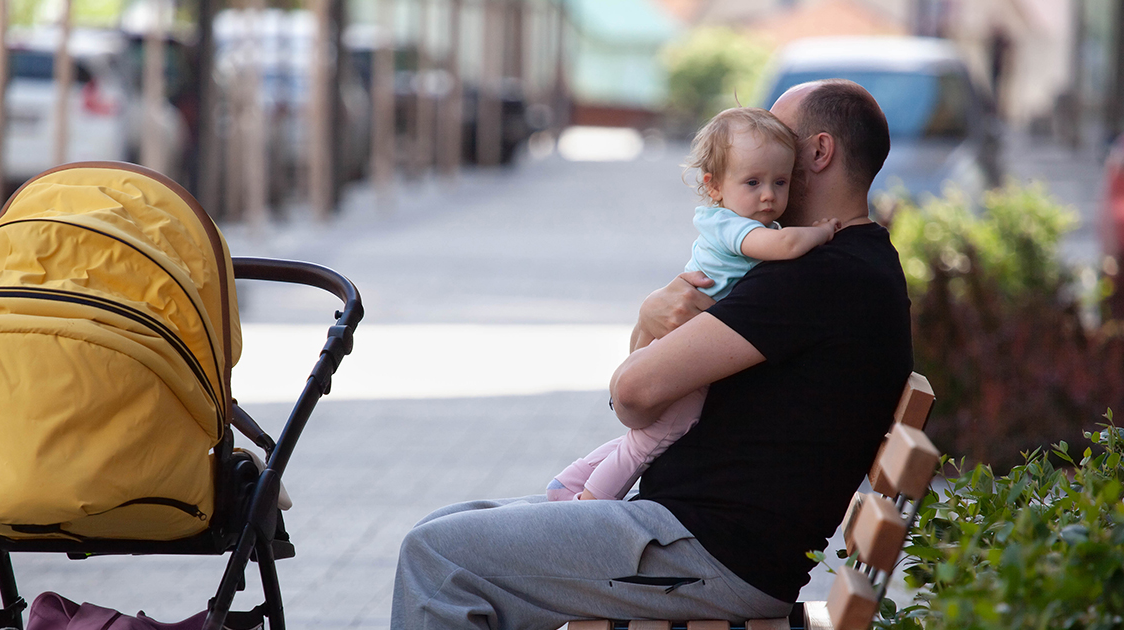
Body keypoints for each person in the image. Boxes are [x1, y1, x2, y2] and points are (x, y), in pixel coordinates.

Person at [391, 79, 913, 630]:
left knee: (438, 555)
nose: (766, 152)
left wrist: (647, 323)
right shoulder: (853, 267)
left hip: (705, 555)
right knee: (451, 526)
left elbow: (633, 393)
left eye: (779, 135)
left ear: (819, 152)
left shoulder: (818, 277)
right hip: (696, 539)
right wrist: (649, 321)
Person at [546, 107, 840, 502]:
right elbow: (785, 245)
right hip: (686, 339)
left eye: (781, 181)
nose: (769, 194)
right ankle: (590, 501)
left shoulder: (750, 222)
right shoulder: (733, 225)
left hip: (686, 337)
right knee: (666, 431)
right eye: (753, 182)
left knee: (649, 435)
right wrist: (821, 231)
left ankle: (573, 480)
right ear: (714, 186)